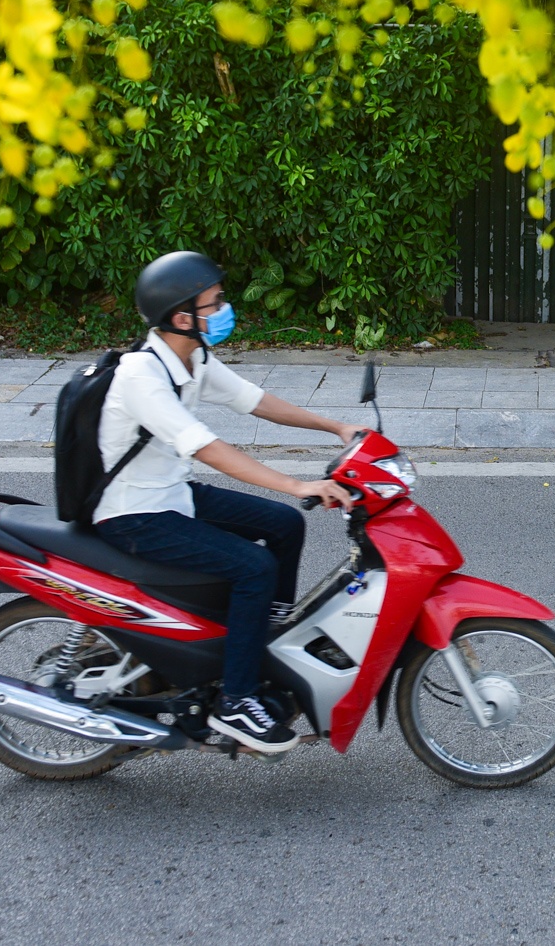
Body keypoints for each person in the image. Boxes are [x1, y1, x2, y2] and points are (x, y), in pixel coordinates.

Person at [93, 251, 365, 753]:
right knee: (255, 566)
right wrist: (297, 484)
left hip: (171, 494)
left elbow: (256, 400)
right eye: (215, 302)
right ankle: (236, 700)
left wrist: (337, 428)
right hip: (135, 513)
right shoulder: (141, 376)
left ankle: (260, 641)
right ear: (182, 318)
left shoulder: (190, 358)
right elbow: (207, 448)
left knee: (285, 526)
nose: (225, 309)